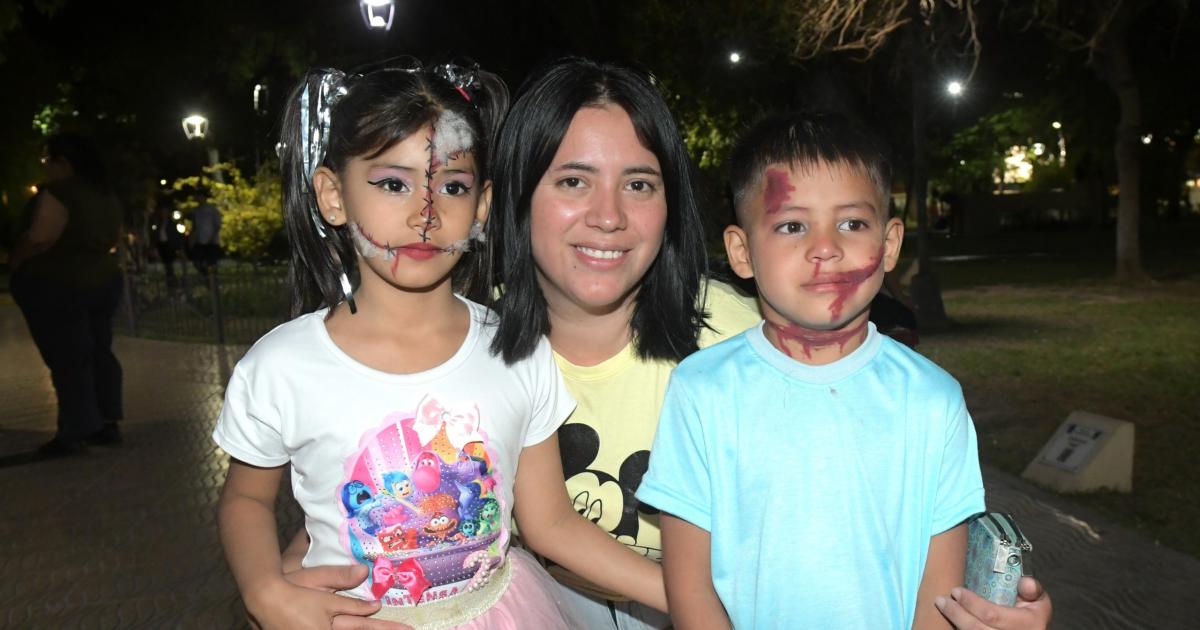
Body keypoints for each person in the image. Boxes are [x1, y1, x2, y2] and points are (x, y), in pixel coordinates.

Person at [280, 58, 1053, 630]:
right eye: (573, 181)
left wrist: (984, 599)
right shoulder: (463, 347)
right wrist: (291, 572)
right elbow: (367, 470)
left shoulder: (760, 333)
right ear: (512, 199)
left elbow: (891, 484)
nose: (609, 216)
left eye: (640, 183)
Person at [212, 61, 666, 629]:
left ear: (481, 206)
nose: (424, 215)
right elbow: (247, 500)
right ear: (332, 195)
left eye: (452, 186)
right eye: (392, 183)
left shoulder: (516, 349)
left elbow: (551, 524)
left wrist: (690, 594)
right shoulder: (281, 366)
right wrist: (264, 592)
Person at [636, 111, 982, 628]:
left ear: (888, 244)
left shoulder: (934, 400)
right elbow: (689, 586)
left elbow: (940, 592)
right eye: (792, 225)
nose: (826, 248)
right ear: (741, 251)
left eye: (851, 223)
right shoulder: (703, 390)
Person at [10, 132, 125, 457]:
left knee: (69, 357)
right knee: (100, 351)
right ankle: (107, 420)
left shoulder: (60, 193)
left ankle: (75, 429)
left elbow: (41, 237)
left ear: (64, 162)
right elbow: (114, 237)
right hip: (102, 280)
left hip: (60, 284)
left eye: (48, 161)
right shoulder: (105, 194)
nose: (45, 168)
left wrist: (17, 258)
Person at [189, 200, 222, 275]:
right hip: (200, 241)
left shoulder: (212, 210)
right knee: (198, 263)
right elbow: (194, 226)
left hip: (211, 242)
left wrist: (212, 238)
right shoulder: (196, 211)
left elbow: (217, 226)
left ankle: (213, 283)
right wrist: (192, 239)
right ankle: (207, 278)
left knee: (212, 264)